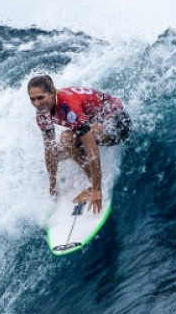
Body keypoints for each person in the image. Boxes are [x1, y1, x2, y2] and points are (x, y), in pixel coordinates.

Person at [27, 74, 131, 213]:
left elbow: (92, 148)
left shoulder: (68, 106)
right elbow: (49, 150)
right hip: (95, 122)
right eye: (32, 99)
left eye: (40, 97)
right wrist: (53, 186)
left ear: (52, 93)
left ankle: (93, 185)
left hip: (118, 124)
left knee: (67, 139)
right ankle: (90, 176)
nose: (36, 103)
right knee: (56, 153)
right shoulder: (42, 113)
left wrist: (97, 190)